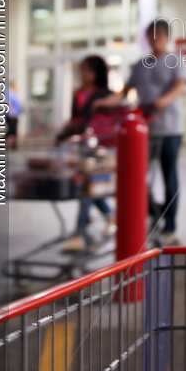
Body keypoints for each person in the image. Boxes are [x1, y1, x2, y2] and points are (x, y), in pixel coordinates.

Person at [96, 19, 186, 245]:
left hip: (170, 129)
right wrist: (105, 103)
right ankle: (154, 215)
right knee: (139, 176)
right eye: (150, 36)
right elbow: (125, 92)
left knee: (169, 176)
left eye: (158, 36)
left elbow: (180, 86)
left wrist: (162, 101)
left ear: (167, 37)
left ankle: (170, 225)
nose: (153, 40)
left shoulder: (176, 61)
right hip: (144, 131)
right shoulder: (140, 65)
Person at [56, 55, 115, 251]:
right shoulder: (77, 93)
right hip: (82, 147)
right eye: (81, 69)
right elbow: (76, 121)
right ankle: (111, 215)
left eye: (87, 70)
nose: (83, 73)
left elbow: (104, 122)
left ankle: (78, 233)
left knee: (87, 189)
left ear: (96, 72)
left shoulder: (105, 95)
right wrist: (62, 134)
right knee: (89, 188)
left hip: (98, 149)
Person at [7, 81, 23, 149]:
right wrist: (12, 113)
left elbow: (17, 105)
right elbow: (9, 104)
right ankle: (0, 142)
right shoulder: (10, 94)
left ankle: (14, 145)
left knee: (13, 131)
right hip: (12, 115)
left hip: (15, 115)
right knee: (12, 131)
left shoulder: (14, 94)